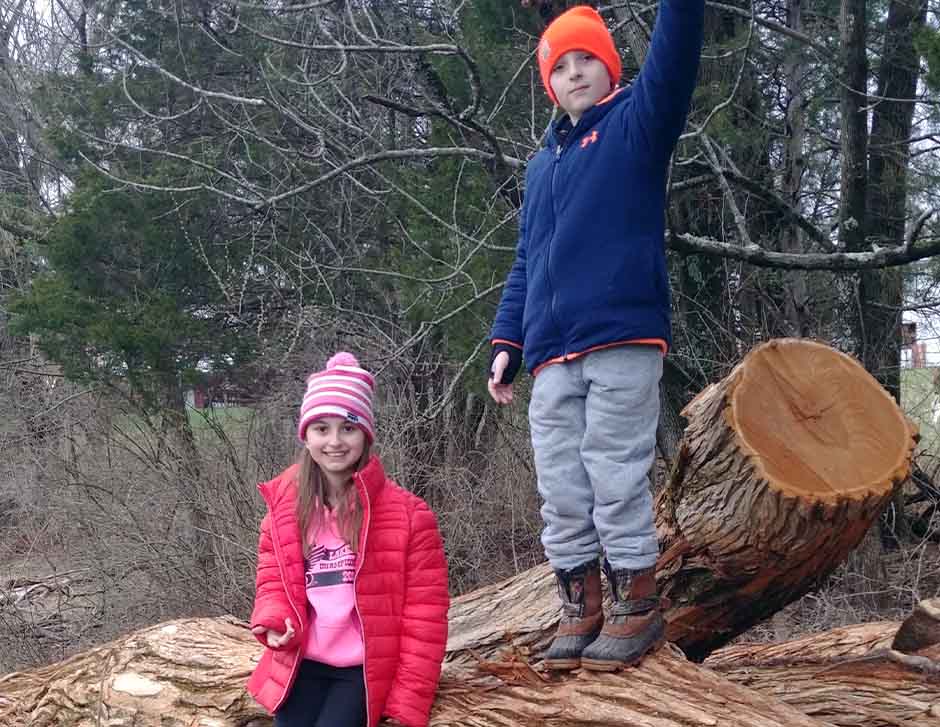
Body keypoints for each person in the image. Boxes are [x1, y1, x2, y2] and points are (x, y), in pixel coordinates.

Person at [488, 2, 704, 671]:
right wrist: (507, 341)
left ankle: (635, 602)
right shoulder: (541, 166)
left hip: (620, 336)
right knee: (562, 483)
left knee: (614, 472)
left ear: (609, 69)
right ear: (547, 81)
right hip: (550, 353)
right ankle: (579, 602)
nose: (576, 72)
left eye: (588, 60)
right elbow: (529, 258)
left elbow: (675, 58)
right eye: (562, 64)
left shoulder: (635, 124)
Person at [247, 352, 449, 727]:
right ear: (305, 435)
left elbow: (425, 619)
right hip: (302, 663)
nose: (335, 441)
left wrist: (408, 703)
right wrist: (274, 621)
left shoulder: (409, 516)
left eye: (348, 428)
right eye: (321, 428)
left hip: (361, 671)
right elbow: (273, 581)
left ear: (366, 434)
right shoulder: (285, 509)